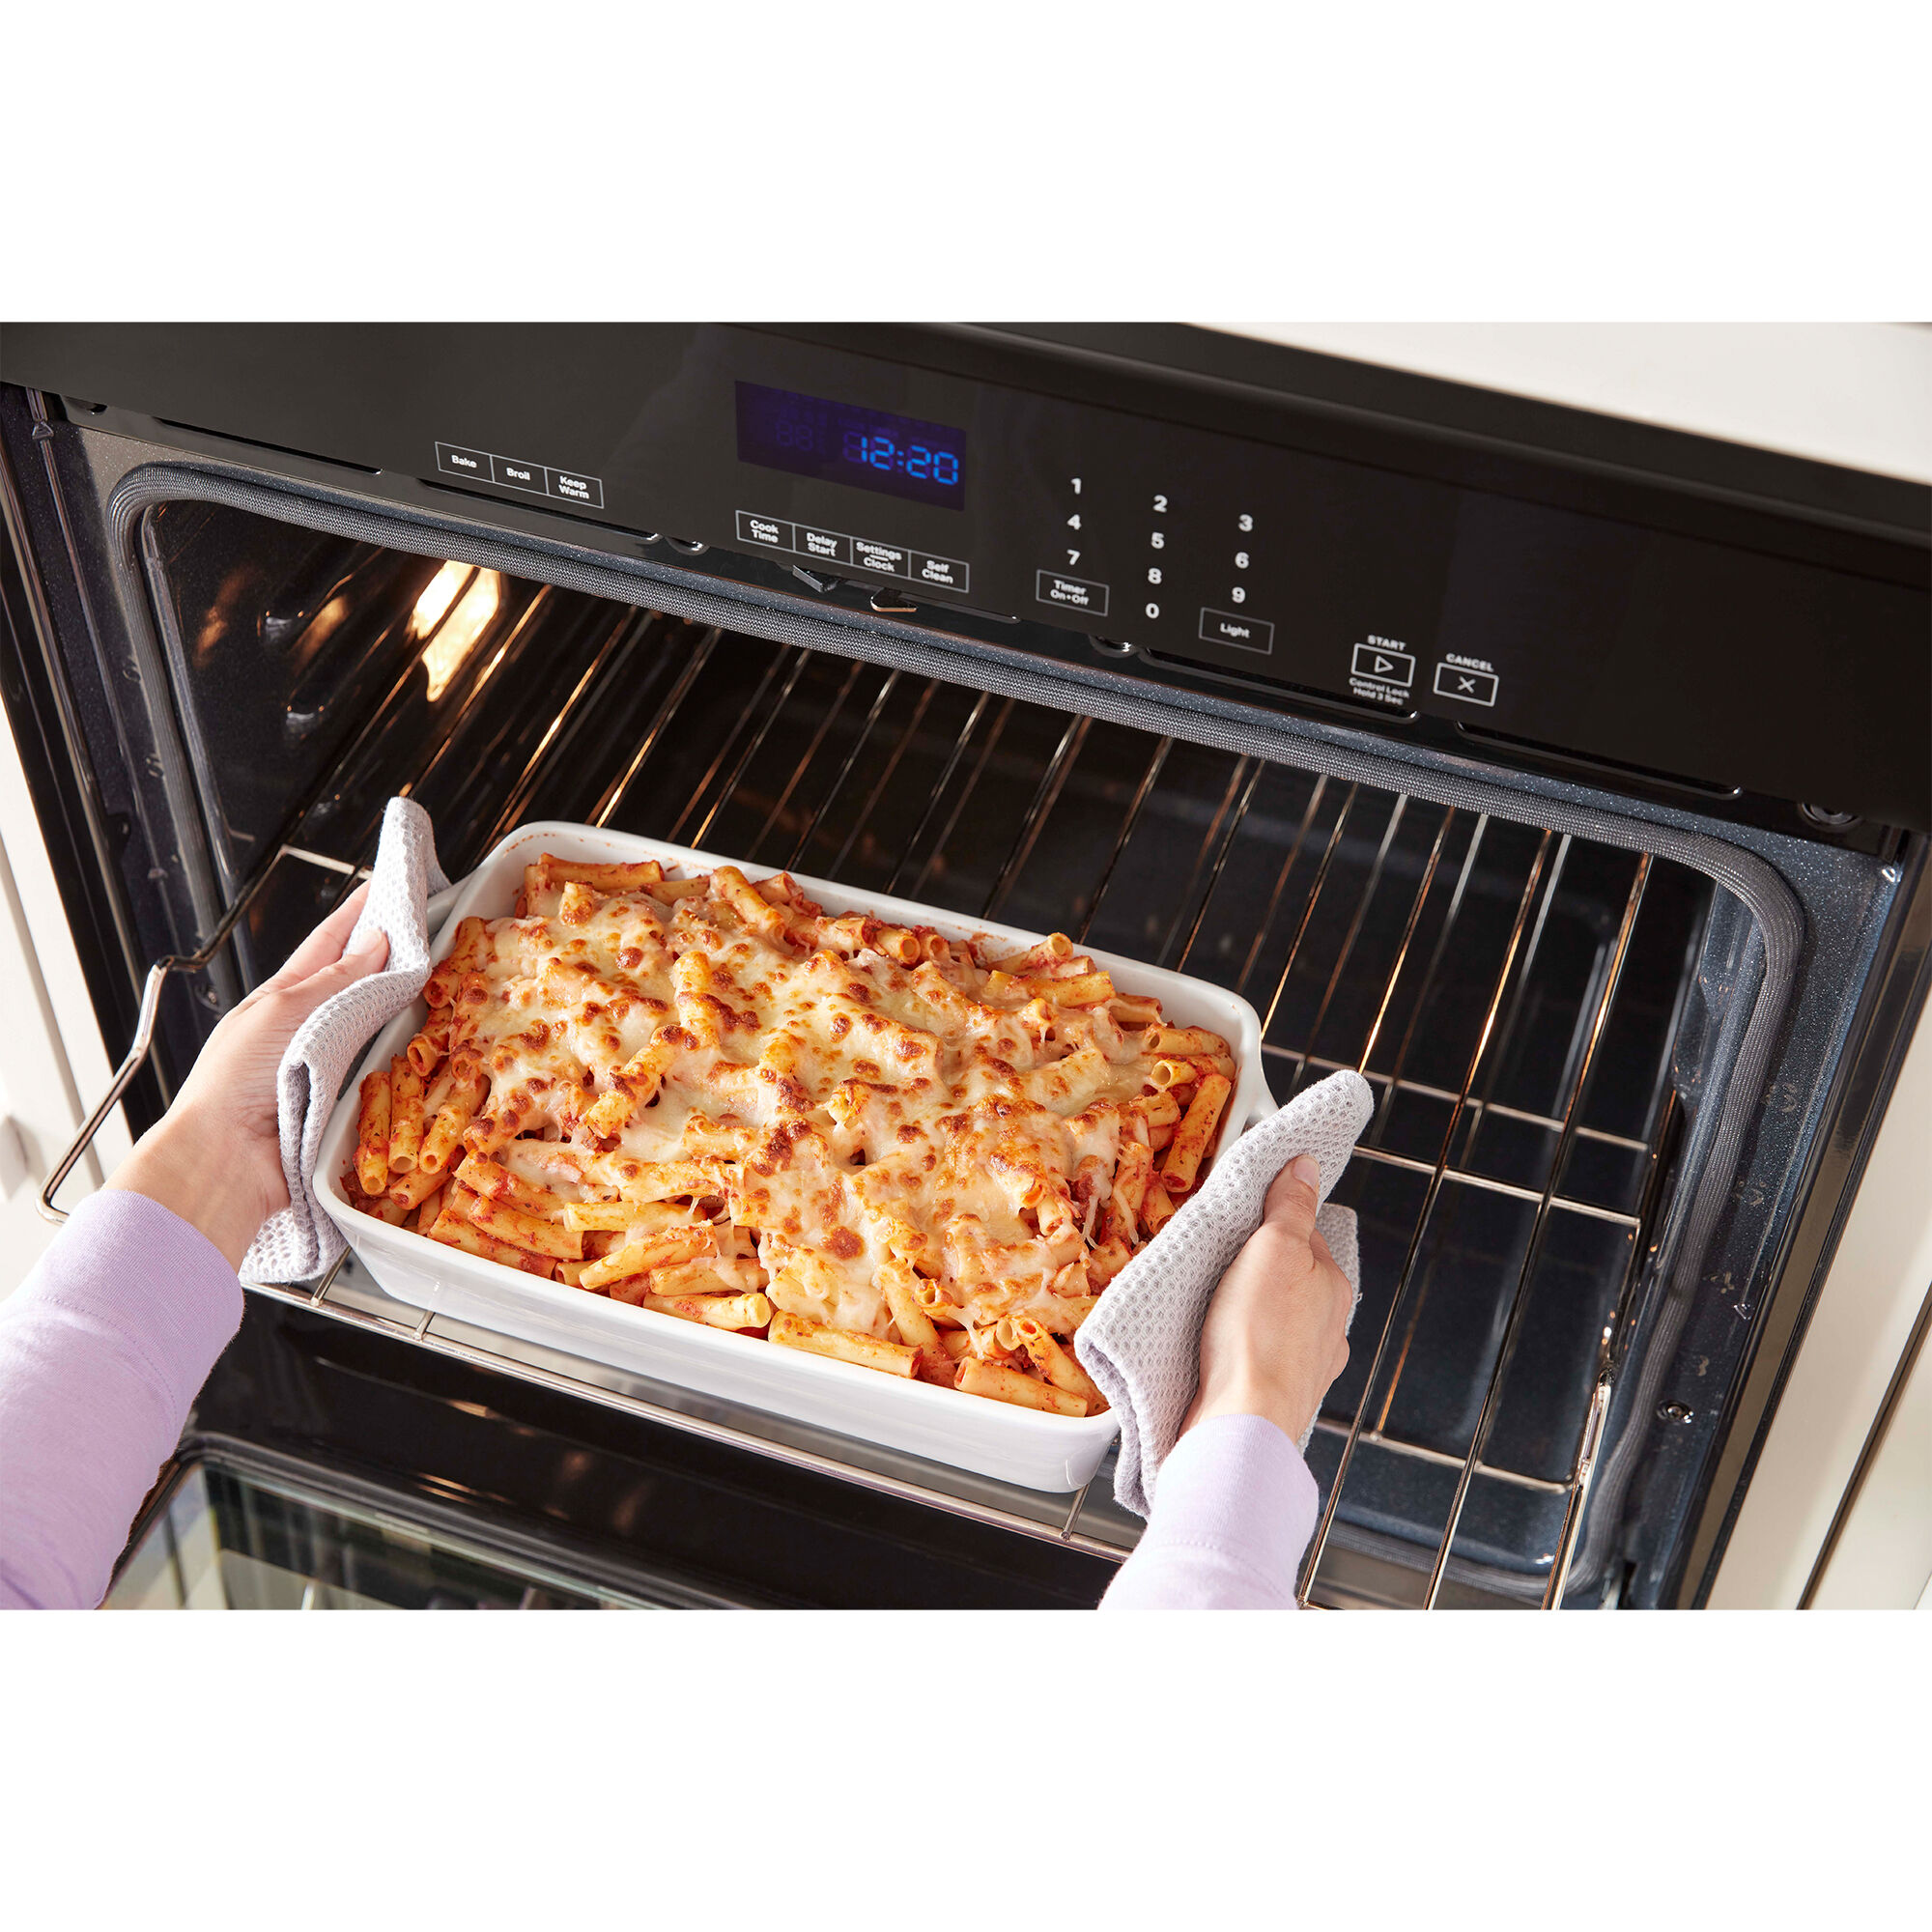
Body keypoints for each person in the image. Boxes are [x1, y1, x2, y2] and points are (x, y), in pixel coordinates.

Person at [0, 895, 1352, 1611]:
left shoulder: (1149, 1082)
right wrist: (1244, 1426)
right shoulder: (481, 1063)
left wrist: (215, 1158)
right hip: (594, 1079)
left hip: (978, 1168)